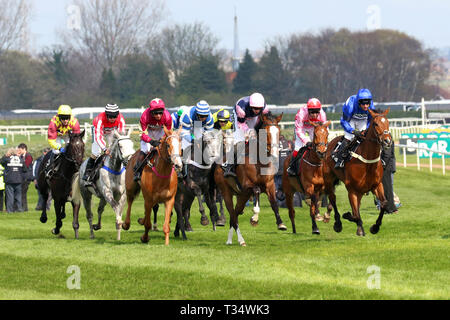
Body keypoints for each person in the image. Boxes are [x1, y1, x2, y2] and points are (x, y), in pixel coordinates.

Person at [222, 93, 269, 177]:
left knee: (255, 137)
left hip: (252, 116)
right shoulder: (241, 109)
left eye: (259, 109)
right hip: (239, 117)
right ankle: (229, 165)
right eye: (255, 108)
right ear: (251, 106)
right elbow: (241, 124)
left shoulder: (265, 109)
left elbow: (264, 121)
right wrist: (248, 132)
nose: (257, 110)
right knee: (239, 140)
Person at [83, 104, 126, 186]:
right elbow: (98, 137)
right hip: (99, 132)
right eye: (110, 116)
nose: (112, 119)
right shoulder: (99, 119)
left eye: (114, 117)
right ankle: (88, 174)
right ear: (106, 115)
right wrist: (104, 149)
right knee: (96, 153)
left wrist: (112, 146)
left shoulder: (121, 119)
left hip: (112, 132)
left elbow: (121, 135)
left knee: (118, 151)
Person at [334, 88, 376, 168]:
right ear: (359, 102)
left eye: (367, 104)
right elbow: (343, 121)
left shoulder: (371, 106)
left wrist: (366, 130)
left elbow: (370, 120)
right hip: (350, 120)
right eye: (363, 104)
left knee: (366, 138)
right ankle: (340, 159)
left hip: (363, 120)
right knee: (349, 137)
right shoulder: (350, 106)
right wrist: (353, 131)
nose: (366, 106)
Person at [134, 98, 172, 182]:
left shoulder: (168, 117)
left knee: (168, 149)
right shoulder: (144, 116)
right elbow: (143, 134)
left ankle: (176, 170)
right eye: (156, 113)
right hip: (148, 132)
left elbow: (168, 134)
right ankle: (137, 171)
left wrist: (161, 141)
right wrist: (151, 141)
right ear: (151, 112)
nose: (158, 115)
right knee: (145, 150)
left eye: (160, 113)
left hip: (161, 131)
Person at [287, 98, 327, 176]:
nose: (315, 115)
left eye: (317, 112)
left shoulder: (322, 114)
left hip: (313, 128)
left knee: (319, 146)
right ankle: (292, 167)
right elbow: (299, 130)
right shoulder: (301, 113)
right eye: (312, 112)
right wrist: (306, 141)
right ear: (308, 110)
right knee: (298, 148)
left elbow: (324, 128)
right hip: (301, 128)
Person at [179, 100, 214, 177]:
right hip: (186, 126)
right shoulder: (187, 115)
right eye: (201, 116)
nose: (203, 118)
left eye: (205, 116)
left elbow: (209, 133)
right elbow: (184, 132)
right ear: (197, 114)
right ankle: (181, 170)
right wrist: (192, 140)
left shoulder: (210, 118)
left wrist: (204, 141)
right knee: (185, 147)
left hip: (198, 125)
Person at [46, 105, 81, 178]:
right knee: (56, 151)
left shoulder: (74, 122)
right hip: (57, 135)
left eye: (67, 118)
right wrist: (59, 147)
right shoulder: (53, 123)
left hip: (68, 135)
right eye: (63, 118)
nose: (65, 121)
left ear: (70, 117)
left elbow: (76, 138)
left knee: (73, 149)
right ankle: (51, 167)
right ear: (59, 117)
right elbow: (51, 141)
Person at [1, 148, 26, 213]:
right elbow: (25, 169)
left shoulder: (7, 159)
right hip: (18, 180)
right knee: (18, 196)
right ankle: (19, 209)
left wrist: (5, 155)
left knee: (10, 196)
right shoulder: (20, 159)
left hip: (9, 180)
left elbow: (1, 162)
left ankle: (10, 210)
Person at [17, 143, 33, 212]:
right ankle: (23, 207)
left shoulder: (28, 156)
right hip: (22, 177)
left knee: (23, 193)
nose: (19, 151)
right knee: (22, 193)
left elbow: (25, 166)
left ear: (24, 149)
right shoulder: (21, 157)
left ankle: (24, 208)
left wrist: (19, 159)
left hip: (26, 177)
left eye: (20, 150)